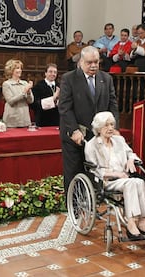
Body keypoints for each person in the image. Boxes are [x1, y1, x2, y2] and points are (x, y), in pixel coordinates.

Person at [58, 45, 119, 194]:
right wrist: (74, 130)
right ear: (81, 62)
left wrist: (113, 127)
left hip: (98, 136)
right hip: (75, 135)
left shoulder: (106, 79)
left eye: (96, 62)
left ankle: (91, 206)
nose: (93, 66)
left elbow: (113, 104)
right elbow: (65, 108)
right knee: (74, 172)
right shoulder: (69, 79)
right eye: (89, 62)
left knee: (94, 173)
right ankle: (73, 211)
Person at [85, 111, 145, 239]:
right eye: (106, 125)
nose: (111, 128)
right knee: (131, 183)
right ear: (99, 128)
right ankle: (131, 222)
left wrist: (130, 159)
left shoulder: (119, 140)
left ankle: (143, 221)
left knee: (139, 182)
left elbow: (130, 153)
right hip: (108, 181)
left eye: (112, 124)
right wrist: (116, 173)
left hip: (124, 178)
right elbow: (95, 170)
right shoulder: (91, 145)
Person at [2, 59, 34, 128]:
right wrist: (24, 92)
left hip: (24, 119)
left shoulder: (25, 83)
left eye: (20, 68)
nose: (20, 70)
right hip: (12, 120)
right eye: (17, 68)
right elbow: (10, 101)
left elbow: (31, 101)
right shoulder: (6, 84)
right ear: (11, 70)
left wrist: (28, 92)